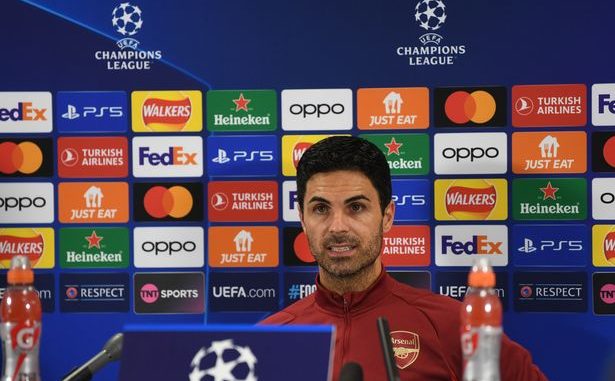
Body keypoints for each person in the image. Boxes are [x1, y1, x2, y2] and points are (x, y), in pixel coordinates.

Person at [261, 136, 547, 381]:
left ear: (387, 216)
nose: (338, 227)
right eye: (321, 209)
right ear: (302, 218)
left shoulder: (452, 325)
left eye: (356, 207)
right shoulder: (269, 340)